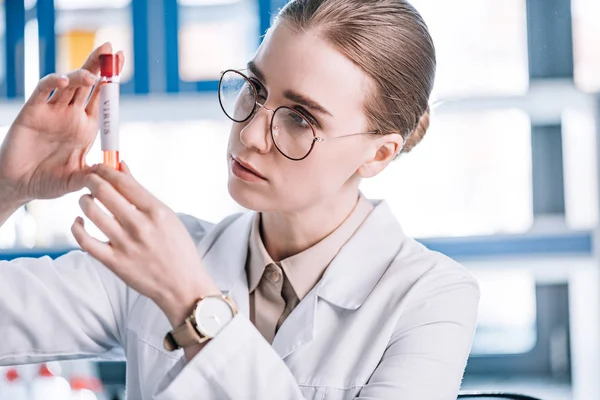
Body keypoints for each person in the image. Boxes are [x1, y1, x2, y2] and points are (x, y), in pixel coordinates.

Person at [0, 0, 480, 399]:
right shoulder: (162, 256)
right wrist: (8, 186)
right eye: (255, 89)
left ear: (378, 153)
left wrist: (192, 302)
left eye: (300, 119)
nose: (249, 133)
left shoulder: (432, 298)